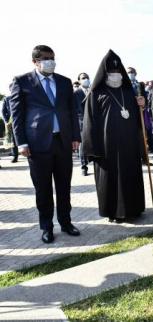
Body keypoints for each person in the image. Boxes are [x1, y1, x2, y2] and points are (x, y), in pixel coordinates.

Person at [10, 45, 81, 243]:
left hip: (63, 142)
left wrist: (75, 136)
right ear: (35, 61)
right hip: (37, 144)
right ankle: (47, 227)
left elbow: (71, 112)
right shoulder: (22, 82)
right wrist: (21, 143)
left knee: (64, 186)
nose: (50, 61)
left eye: (52, 57)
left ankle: (66, 222)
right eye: (45, 58)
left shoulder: (65, 82)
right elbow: (17, 116)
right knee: (43, 189)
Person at [82, 50, 145, 222]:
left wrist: (141, 105)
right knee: (112, 180)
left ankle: (134, 208)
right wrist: (92, 149)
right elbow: (89, 124)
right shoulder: (96, 93)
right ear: (105, 73)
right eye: (112, 72)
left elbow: (136, 118)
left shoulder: (128, 91)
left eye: (118, 72)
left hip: (129, 144)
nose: (116, 75)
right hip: (107, 147)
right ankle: (114, 212)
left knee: (131, 176)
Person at [73, 72, 90, 176]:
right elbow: (75, 110)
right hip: (82, 122)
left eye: (87, 77)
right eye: (83, 78)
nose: (86, 79)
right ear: (79, 81)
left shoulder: (93, 91)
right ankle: (84, 166)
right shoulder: (76, 94)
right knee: (83, 145)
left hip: (94, 122)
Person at [2, 94, 19, 163]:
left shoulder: (22, 96)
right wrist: (6, 121)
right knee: (14, 139)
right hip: (11, 122)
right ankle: (15, 156)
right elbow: (3, 111)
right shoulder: (7, 99)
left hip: (22, 121)